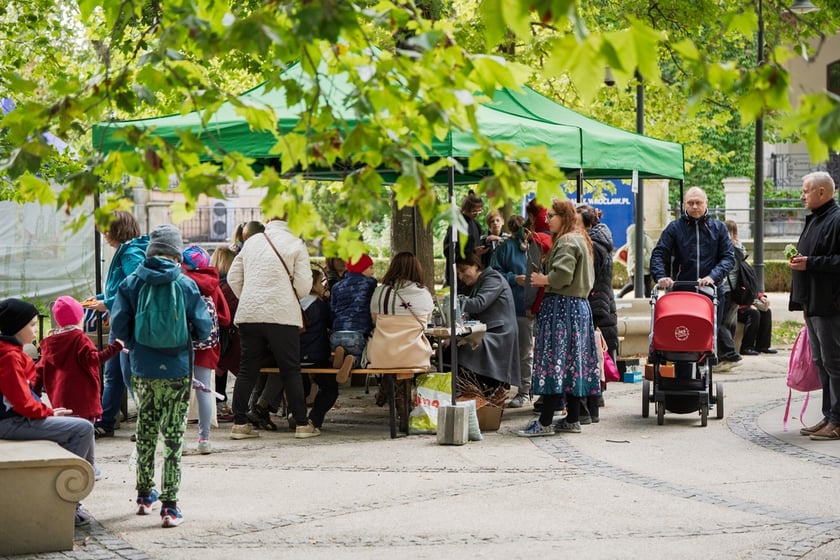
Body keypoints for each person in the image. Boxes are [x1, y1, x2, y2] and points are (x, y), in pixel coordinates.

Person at [110, 224, 213, 528]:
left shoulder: (132, 283)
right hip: (178, 368)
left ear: (151, 249)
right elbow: (204, 327)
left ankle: (143, 496)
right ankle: (170, 506)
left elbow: (118, 327)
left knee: (145, 429)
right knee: (173, 437)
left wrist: (135, 344)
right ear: (177, 251)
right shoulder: (185, 283)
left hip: (142, 368)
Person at [0, 298, 97, 526]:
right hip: (11, 422)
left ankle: (79, 484)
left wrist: (49, 412)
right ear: (17, 326)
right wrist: (49, 412)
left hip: (15, 419)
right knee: (83, 428)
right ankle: (67, 501)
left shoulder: (10, 352)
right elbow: (21, 403)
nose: (36, 330)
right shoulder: (9, 357)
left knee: (81, 426)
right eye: (32, 325)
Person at [227, 216, 317, 439]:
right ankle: (302, 424)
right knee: (290, 370)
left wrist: (248, 296)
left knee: (247, 369)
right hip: (282, 314)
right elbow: (304, 286)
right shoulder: (296, 243)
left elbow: (233, 277)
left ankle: (239, 423)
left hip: (250, 314)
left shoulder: (253, 242)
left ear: (268, 219)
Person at [517, 199, 600, 437]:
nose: (547, 219)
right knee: (573, 364)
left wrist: (544, 279)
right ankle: (572, 418)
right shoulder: (581, 238)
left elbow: (563, 275)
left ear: (564, 217)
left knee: (556, 362)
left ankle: (544, 422)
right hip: (579, 309)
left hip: (561, 309)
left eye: (552, 215)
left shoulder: (566, 241)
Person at [650, 186, 736, 378]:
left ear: (706, 203)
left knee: (706, 338)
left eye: (698, 202)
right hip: (682, 292)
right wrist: (661, 276)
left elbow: (728, 258)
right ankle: (681, 379)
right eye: (690, 203)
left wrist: (713, 276)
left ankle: (704, 379)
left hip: (711, 291)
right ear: (684, 205)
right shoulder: (674, 228)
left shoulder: (718, 228)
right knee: (682, 338)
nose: (695, 206)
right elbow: (659, 254)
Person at [87, 211, 149, 438]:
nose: (103, 235)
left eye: (106, 229)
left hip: (127, 323)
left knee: (129, 374)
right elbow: (123, 287)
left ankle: (145, 424)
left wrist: (108, 303)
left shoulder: (130, 253)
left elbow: (135, 289)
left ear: (117, 230)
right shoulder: (130, 250)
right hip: (123, 321)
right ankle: (106, 421)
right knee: (115, 374)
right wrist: (103, 298)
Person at [789, 171, 840, 441]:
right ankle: (829, 416)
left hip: (831, 305)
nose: (802, 195)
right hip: (813, 303)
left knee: (834, 363)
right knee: (821, 362)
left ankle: (838, 420)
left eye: (806, 190)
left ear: (822, 192)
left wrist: (811, 263)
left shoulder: (837, 219)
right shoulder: (817, 219)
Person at [36, 296, 124, 423]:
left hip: (61, 403)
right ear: (80, 318)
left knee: (67, 434)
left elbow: (39, 370)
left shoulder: (51, 343)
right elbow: (94, 359)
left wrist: (35, 394)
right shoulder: (80, 339)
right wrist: (116, 347)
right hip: (83, 403)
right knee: (83, 434)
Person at [181, 244, 231, 454]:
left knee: (180, 394)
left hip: (181, 345)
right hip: (206, 346)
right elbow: (226, 318)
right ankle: (204, 440)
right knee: (204, 392)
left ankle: (180, 440)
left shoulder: (181, 283)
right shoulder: (214, 285)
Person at [367, 252, 435, 408]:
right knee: (405, 361)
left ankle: (385, 388)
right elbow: (427, 324)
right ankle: (401, 404)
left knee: (381, 349)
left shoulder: (380, 292)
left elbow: (375, 321)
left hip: (382, 354)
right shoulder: (424, 294)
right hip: (415, 355)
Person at [454, 253, 520, 400]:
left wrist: (454, 300)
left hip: (500, 333)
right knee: (454, 346)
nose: (461, 276)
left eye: (463, 270)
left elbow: (479, 304)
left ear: (476, 266)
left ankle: (477, 392)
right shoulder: (480, 282)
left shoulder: (492, 278)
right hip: (488, 330)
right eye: (458, 273)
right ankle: (474, 393)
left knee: (464, 348)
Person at [576, 204, 618, 423]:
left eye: (576, 221)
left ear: (588, 224)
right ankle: (596, 396)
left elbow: (585, 277)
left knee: (592, 352)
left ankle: (594, 395)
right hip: (602, 302)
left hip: (594, 303)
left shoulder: (593, 245)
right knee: (596, 351)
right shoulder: (600, 239)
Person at [490, 215, 536, 408]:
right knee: (522, 351)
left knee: (531, 351)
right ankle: (523, 390)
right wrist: (512, 278)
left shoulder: (541, 245)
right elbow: (493, 272)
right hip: (515, 307)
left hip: (537, 306)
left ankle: (533, 388)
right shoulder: (507, 247)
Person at [300, 269, 340, 430]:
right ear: (313, 285)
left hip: (293, 355)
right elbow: (333, 322)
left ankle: (294, 414)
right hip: (316, 356)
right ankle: (314, 418)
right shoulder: (319, 306)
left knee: (299, 386)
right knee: (330, 389)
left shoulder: (293, 303)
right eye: (320, 282)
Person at [330, 253, 377, 368]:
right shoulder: (370, 283)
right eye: (370, 267)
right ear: (361, 268)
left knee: (346, 350)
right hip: (358, 334)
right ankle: (353, 360)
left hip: (337, 334)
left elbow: (332, 309)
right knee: (362, 358)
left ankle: (340, 351)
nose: (372, 271)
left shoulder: (336, 286)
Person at [210, 246, 238, 420]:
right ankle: (220, 403)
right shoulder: (229, 285)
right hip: (225, 333)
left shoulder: (210, 280)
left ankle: (218, 402)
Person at [443, 190, 487, 288]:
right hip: (461, 276)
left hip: (473, 274)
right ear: (465, 209)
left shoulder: (475, 224)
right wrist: (472, 252)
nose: (477, 214)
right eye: (474, 211)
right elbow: (448, 251)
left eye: (480, 211)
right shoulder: (456, 225)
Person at [617, 222, 654, 298]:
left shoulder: (641, 235)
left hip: (644, 264)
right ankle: (620, 294)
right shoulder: (635, 235)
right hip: (639, 263)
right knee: (635, 283)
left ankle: (648, 300)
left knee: (647, 283)